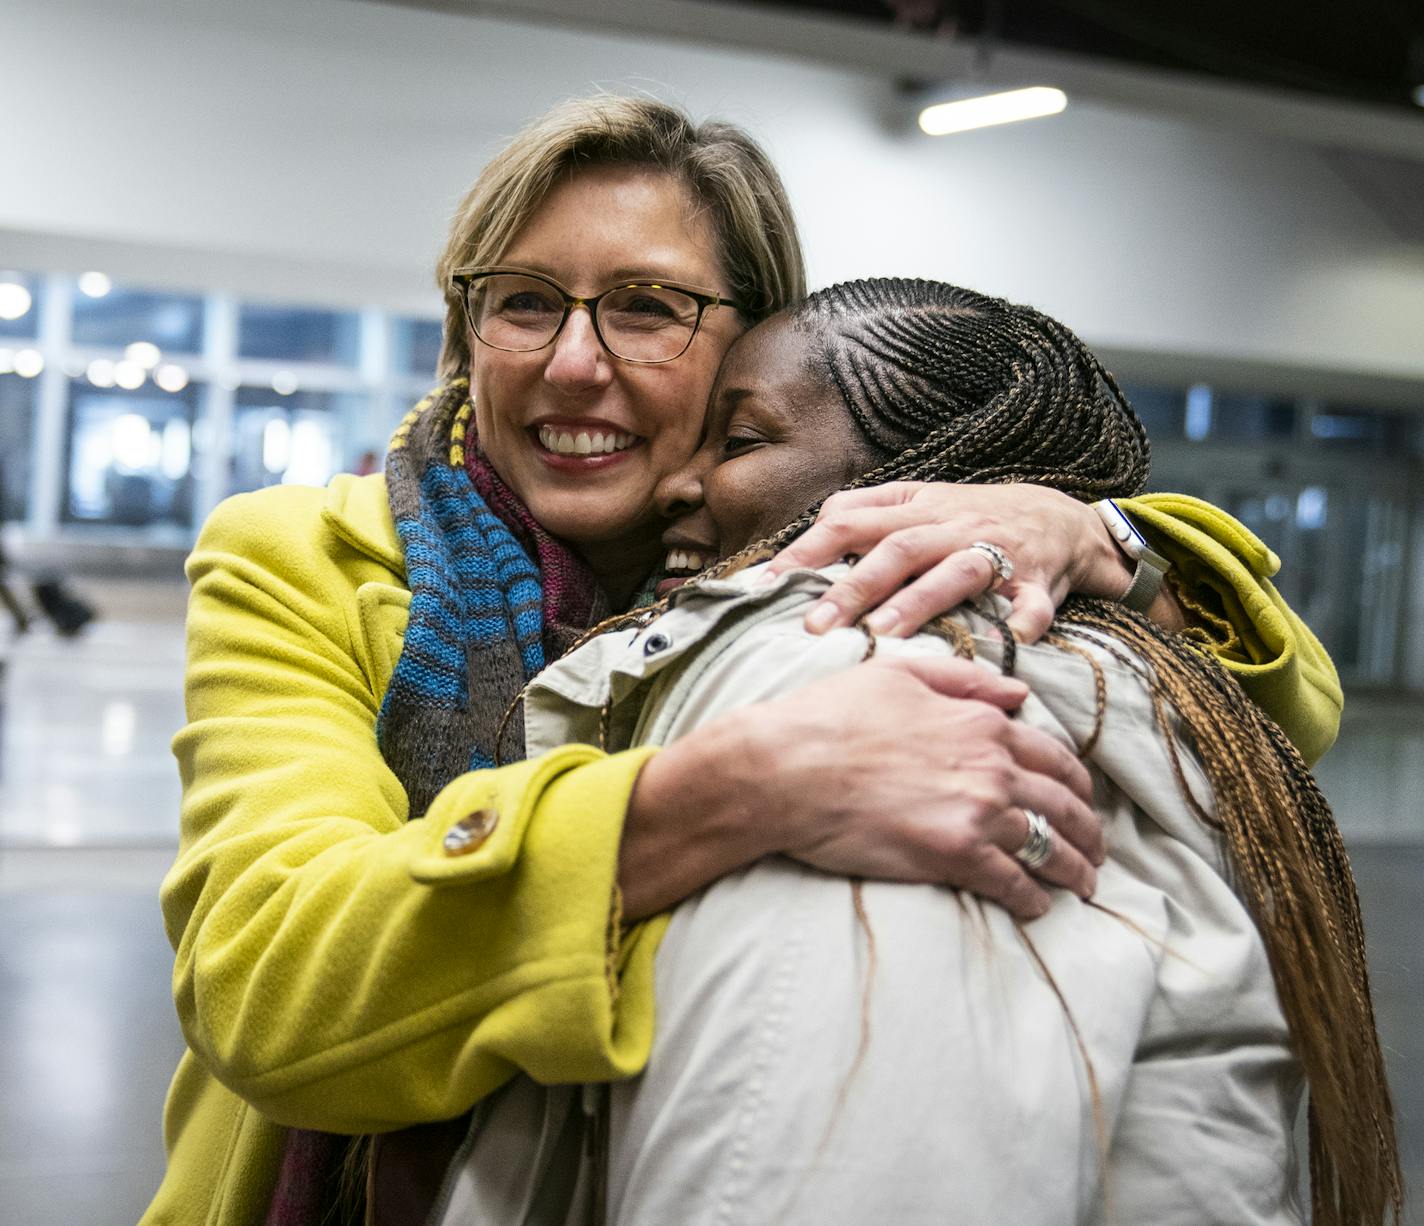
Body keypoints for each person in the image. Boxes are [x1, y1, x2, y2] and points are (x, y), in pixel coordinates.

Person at [142, 97, 1343, 1226]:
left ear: (752, 340)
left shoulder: (866, 572)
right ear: (467, 333)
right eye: (522, 301)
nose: (572, 361)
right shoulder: (301, 554)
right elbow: (267, 979)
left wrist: (1106, 533)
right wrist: (722, 794)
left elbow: (1291, 711)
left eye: (646, 306)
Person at [508, 279, 1400, 1225]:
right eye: (524, 303)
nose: (678, 485)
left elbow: (812, 1166)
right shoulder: (1122, 671)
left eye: (737, 441)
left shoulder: (864, 687)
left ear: (934, 481)